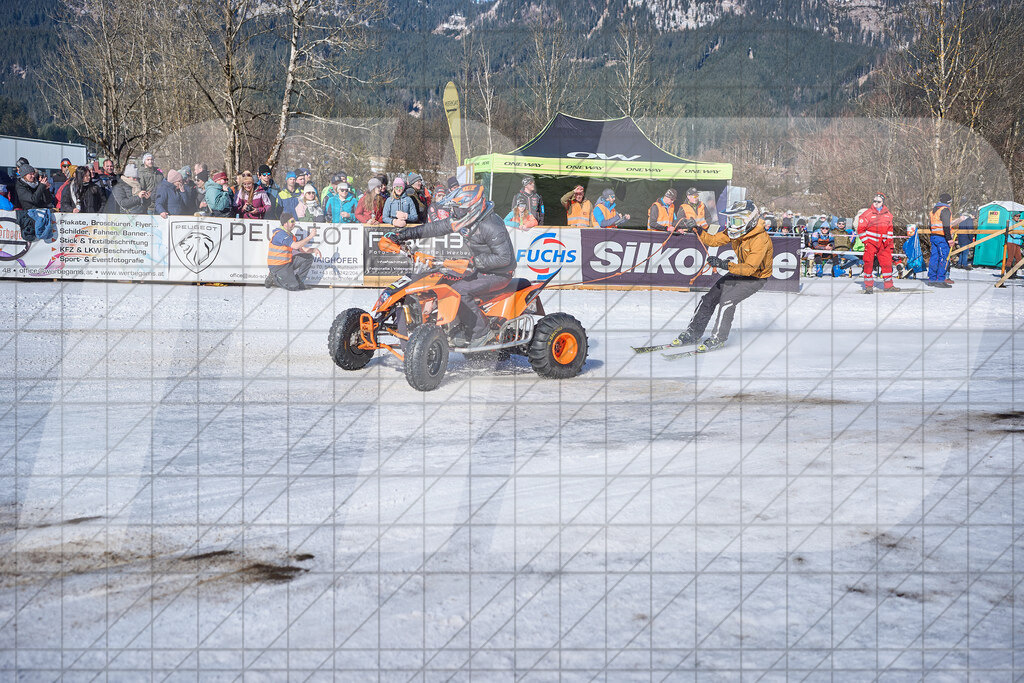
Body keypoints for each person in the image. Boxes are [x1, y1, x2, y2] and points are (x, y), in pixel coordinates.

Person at [384, 184, 515, 347]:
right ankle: (447, 325)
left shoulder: (491, 226)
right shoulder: (464, 219)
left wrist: (474, 262)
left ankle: (482, 333)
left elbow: (504, 258)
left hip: (499, 274)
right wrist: (400, 236)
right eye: (454, 208)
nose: (455, 213)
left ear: (472, 208)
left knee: (458, 291)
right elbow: (432, 228)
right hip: (479, 268)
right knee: (439, 280)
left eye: (459, 209)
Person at [673, 200, 773, 351]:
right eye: (731, 220)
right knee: (709, 299)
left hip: (756, 277)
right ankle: (693, 333)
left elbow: (750, 269)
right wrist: (698, 229)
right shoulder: (736, 232)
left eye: (736, 220)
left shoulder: (760, 239)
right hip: (738, 271)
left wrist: (724, 264)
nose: (732, 224)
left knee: (727, 301)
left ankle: (718, 338)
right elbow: (713, 241)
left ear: (749, 220)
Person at [856, 192, 900, 292]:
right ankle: (868, 286)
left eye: (879, 201)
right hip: (871, 243)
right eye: (874, 201)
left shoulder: (888, 215)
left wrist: (889, 242)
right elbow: (860, 230)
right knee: (868, 263)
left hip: (884, 244)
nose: (876, 203)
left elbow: (890, 229)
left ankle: (889, 285)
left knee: (887, 263)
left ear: (883, 202)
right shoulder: (867, 214)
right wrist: (866, 242)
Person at [266, 212, 317, 290]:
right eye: (292, 221)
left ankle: (299, 281)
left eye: (294, 221)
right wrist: (310, 237)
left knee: (308, 257)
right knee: (293, 287)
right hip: (277, 266)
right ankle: (274, 276)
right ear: (285, 223)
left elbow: (301, 249)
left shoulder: (290, 235)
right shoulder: (280, 234)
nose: (294, 223)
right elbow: (296, 246)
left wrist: (314, 250)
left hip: (287, 264)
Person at [927, 193, 965, 287]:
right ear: (948, 202)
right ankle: (940, 280)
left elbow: (930, 225)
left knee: (934, 258)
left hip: (934, 236)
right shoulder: (945, 210)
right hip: (942, 237)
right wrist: (949, 239)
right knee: (944, 258)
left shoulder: (934, 210)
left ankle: (932, 279)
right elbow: (946, 226)